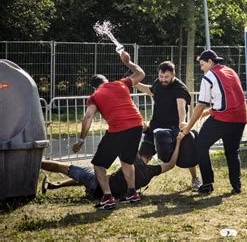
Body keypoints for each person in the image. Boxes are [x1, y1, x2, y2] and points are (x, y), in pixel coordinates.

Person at [72, 51, 145, 210]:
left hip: (119, 128)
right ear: (106, 81)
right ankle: (132, 194)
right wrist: (128, 62)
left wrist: (81, 139)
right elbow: (141, 74)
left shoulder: (95, 95)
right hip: (137, 125)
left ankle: (107, 197)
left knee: (99, 165)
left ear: (93, 86)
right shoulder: (120, 83)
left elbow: (88, 116)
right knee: (127, 161)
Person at [179, 49, 247, 194]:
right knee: (232, 151)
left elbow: (200, 104)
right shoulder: (230, 71)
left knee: (201, 145)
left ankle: (207, 183)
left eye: (202, 65)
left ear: (210, 62)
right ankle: (236, 185)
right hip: (240, 118)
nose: (201, 68)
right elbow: (230, 97)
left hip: (223, 119)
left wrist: (187, 128)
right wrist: (210, 111)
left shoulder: (209, 76)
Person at [41, 138, 183, 203]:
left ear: (139, 151)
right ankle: (56, 185)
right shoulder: (150, 172)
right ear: (151, 157)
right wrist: (178, 142)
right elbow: (171, 164)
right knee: (89, 175)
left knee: (63, 167)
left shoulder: (133, 157)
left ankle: (35, 163)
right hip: (100, 193)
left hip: (98, 184)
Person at [135, 61, 202, 188]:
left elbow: (181, 107)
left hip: (174, 128)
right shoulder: (158, 83)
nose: (163, 79)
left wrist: (182, 121)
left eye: (166, 77)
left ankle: (194, 178)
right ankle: (136, 182)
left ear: (173, 74)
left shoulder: (179, 88)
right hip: (155, 127)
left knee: (187, 154)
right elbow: (150, 91)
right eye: (161, 76)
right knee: (143, 156)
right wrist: (134, 83)